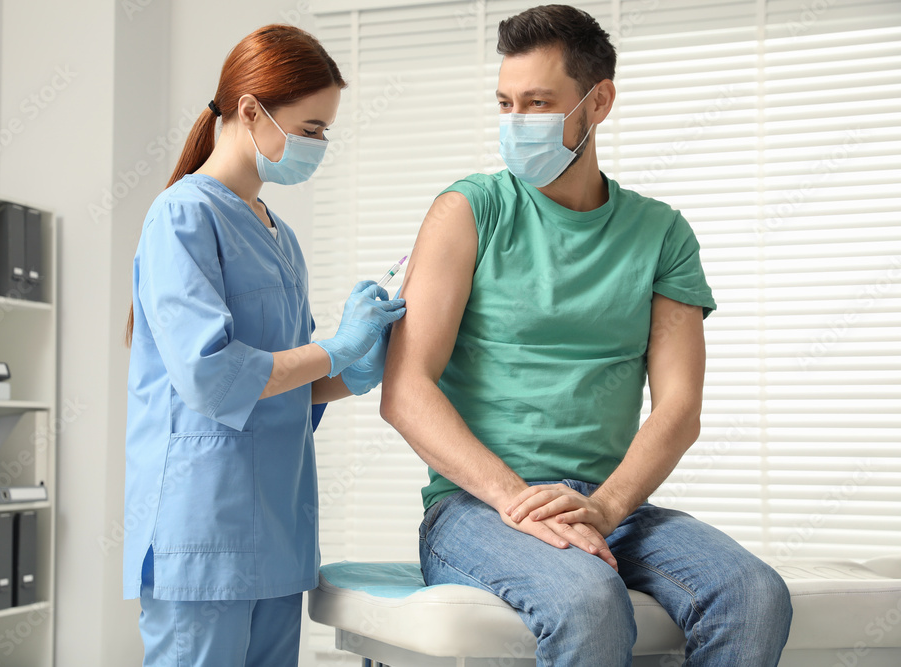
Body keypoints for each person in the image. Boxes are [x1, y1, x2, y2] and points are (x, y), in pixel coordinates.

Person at [380, 5, 792, 665]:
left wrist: (602, 508)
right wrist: (516, 499)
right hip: (479, 506)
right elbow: (404, 388)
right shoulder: (468, 210)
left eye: (538, 103)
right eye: (506, 103)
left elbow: (679, 407)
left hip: (610, 501)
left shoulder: (660, 234)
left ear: (597, 102)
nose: (517, 123)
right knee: (588, 600)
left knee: (753, 592)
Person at [122, 25, 405, 667]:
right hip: (205, 531)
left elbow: (287, 384)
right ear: (250, 110)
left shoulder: (279, 234)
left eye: (324, 132)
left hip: (277, 530)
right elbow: (211, 377)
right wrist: (335, 349)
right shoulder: (183, 215)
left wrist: (358, 367)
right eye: (310, 129)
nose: (319, 145)